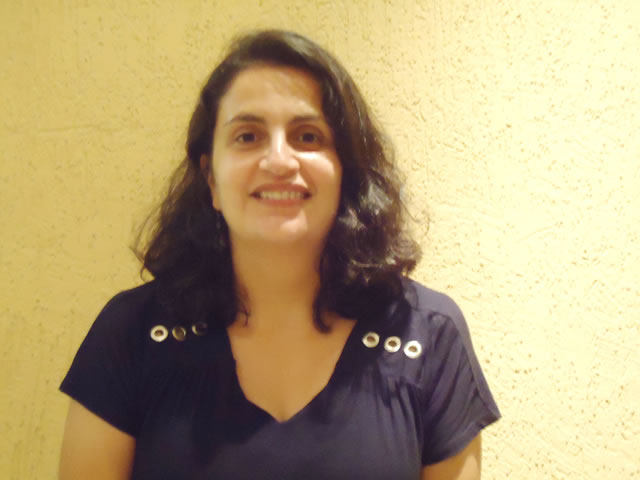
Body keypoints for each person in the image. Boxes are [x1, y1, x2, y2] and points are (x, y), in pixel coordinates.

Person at [59, 30, 500, 480]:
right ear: (211, 179)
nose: (278, 160)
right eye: (247, 136)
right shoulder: (131, 334)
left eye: (307, 136)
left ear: (345, 171)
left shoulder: (429, 337)